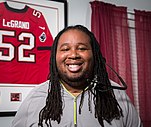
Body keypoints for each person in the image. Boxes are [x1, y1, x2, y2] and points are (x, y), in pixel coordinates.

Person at [11, 25, 142, 127]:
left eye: (82, 48)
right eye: (65, 49)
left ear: (94, 55)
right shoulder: (35, 97)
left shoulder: (117, 95)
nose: (73, 55)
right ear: (54, 57)